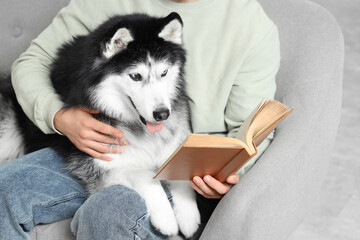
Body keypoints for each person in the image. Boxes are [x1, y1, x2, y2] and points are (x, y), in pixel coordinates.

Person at [0, 0, 280, 239]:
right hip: (101, 151)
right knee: (7, 187)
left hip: (188, 172)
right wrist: (58, 116)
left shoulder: (251, 26)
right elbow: (31, 62)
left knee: (108, 211)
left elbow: (252, 127)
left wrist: (231, 174)